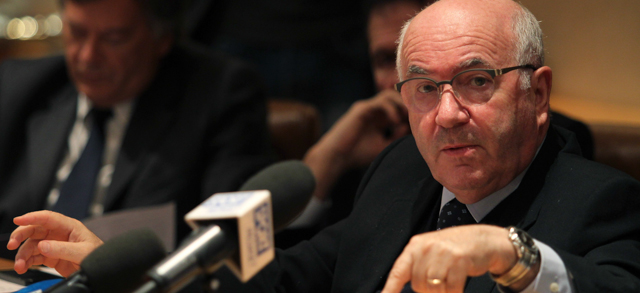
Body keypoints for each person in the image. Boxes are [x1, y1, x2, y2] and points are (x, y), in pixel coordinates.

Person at [9, 1, 640, 293]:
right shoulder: (400, 174)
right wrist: (147, 276)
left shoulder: (601, 202)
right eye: (423, 89)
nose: (447, 114)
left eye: (477, 82)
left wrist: (511, 252)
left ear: (538, 94)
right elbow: (288, 278)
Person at [0, 0, 273, 249]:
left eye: (114, 39)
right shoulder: (19, 85)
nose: (87, 57)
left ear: (162, 38)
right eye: (77, 32)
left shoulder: (220, 96)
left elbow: (230, 239)